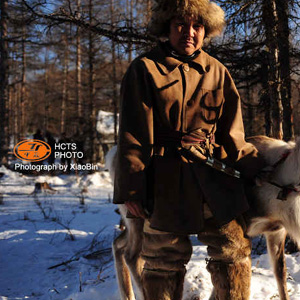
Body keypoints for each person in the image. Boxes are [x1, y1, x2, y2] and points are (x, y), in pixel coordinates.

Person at [112, 1, 264, 299]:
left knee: (233, 250)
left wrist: (260, 170)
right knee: (161, 258)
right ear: (166, 27)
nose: (189, 33)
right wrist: (132, 190)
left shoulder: (217, 72)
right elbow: (133, 135)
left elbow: (234, 135)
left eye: (197, 26)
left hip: (212, 178)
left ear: (206, 30)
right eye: (181, 24)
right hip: (164, 179)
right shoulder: (145, 70)